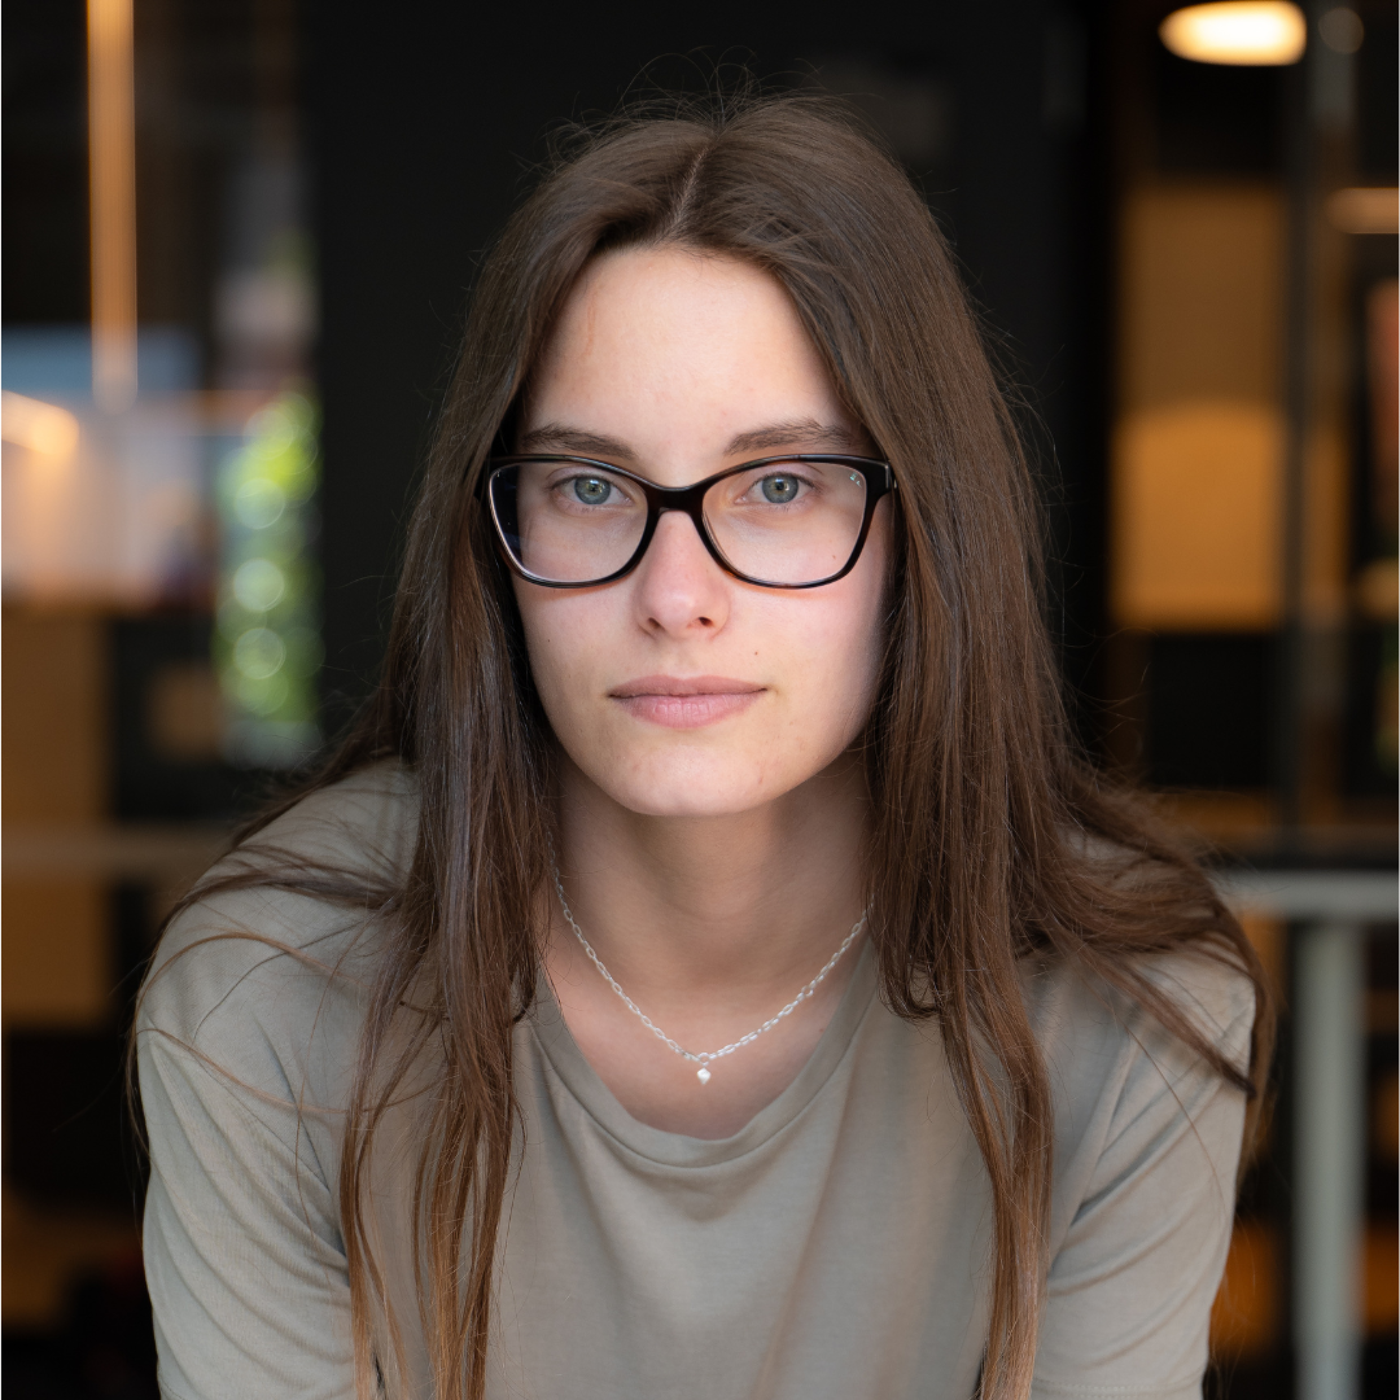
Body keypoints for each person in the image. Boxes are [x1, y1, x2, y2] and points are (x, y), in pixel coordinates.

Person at [136, 94, 1272, 1400]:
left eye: (779, 486)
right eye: (590, 487)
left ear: (926, 533)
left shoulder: (1126, 1011)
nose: (676, 594)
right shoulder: (275, 990)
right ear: (496, 547)